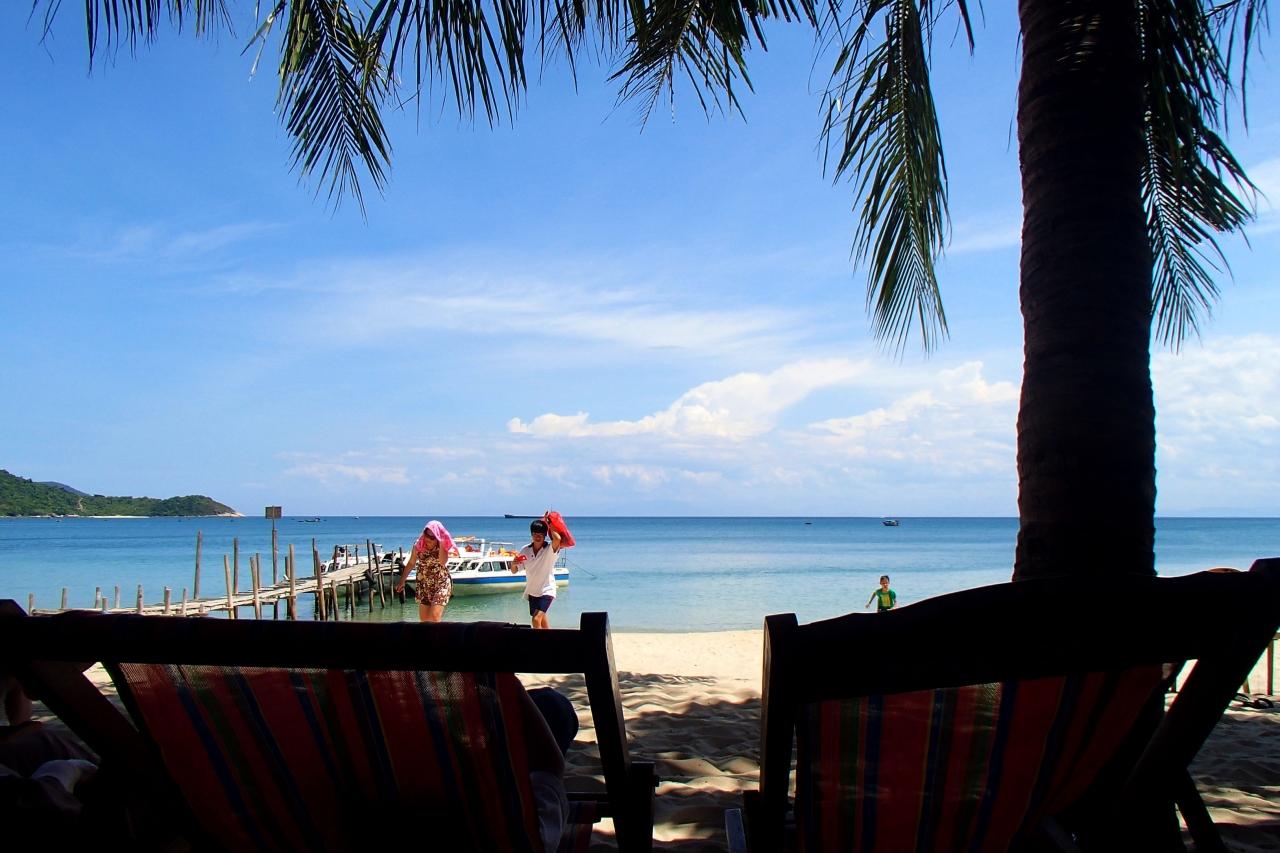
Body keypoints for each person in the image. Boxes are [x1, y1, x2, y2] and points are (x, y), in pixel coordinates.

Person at [394, 520, 454, 622]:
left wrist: (441, 543)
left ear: (437, 537)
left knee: (435, 617)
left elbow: (442, 562)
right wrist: (402, 581)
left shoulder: (442, 546)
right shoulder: (418, 545)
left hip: (441, 583)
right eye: (427, 535)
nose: (428, 539)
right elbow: (411, 563)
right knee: (424, 621)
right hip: (424, 585)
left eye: (432, 537)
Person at [511, 516, 562, 629]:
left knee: (536, 619)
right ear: (531, 534)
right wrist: (513, 564)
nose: (538, 537)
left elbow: (557, 539)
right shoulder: (525, 550)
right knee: (542, 620)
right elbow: (514, 571)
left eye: (541, 534)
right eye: (535, 534)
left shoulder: (549, 549)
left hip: (547, 590)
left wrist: (549, 523)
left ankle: (537, 641)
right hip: (532, 591)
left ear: (545, 535)